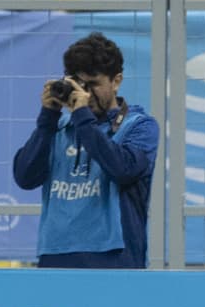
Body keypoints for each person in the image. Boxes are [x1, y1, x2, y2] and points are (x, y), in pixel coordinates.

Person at [12, 32, 159, 269]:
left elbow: (123, 169)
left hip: (114, 256)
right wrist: (48, 117)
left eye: (93, 84)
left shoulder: (140, 126)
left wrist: (82, 117)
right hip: (57, 252)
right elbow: (25, 178)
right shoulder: (58, 128)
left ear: (116, 81)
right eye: (79, 85)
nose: (86, 94)